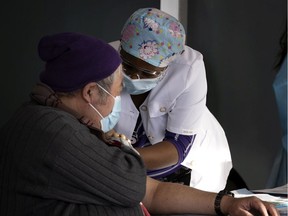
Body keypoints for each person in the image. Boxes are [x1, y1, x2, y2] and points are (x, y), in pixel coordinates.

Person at [0, 32, 279, 216]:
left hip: (197, 168)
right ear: (90, 93)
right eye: (121, 87)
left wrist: (227, 203)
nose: (127, 90)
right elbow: (139, 187)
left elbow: (153, 189)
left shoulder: (51, 119)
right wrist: (113, 149)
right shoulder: (58, 132)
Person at [111, 7, 232, 191]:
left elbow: (176, 147)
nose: (135, 77)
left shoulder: (189, 69)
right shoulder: (102, 59)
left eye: (148, 72)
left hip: (189, 164)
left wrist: (114, 161)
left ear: (168, 66)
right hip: (123, 166)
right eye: (127, 66)